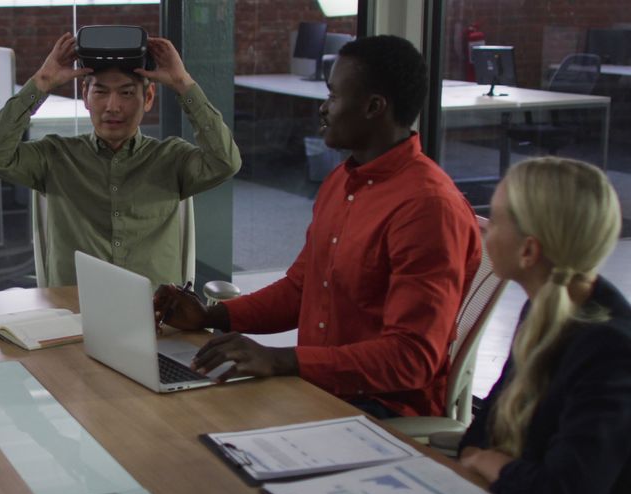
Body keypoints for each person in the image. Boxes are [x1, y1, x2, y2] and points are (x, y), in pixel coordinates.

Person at [155, 35, 481, 418]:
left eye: (334, 97)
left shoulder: (428, 208)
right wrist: (211, 316)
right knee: (179, 408)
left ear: (374, 107)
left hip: (378, 408)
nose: (323, 109)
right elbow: (301, 289)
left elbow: (411, 358)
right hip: (317, 389)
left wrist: (282, 360)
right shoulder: (343, 180)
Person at [459, 157, 631, 494]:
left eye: (496, 220)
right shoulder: (542, 310)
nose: (486, 229)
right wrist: (485, 457)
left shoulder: (611, 352)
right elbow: (478, 437)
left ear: (529, 250)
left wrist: (491, 463)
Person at [0, 32, 241, 287]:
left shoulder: (170, 159)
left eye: (126, 93)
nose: (112, 106)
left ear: (147, 98)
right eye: (101, 92)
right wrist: (42, 82)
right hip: (73, 315)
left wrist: (184, 85)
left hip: (154, 317)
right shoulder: (56, 156)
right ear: (86, 97)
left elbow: (225, 162)